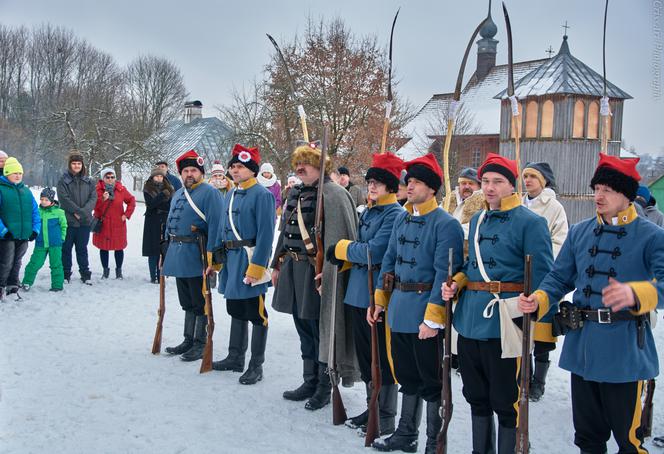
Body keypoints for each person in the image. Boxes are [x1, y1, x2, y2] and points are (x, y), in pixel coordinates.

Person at [519, 153, 664, 454]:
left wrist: (638, 294)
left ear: (627, 194)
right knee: (587, 437)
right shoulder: (580, 232)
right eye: (597, 188)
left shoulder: (652, 236)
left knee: (628, 441)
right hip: (583, 346)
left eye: (607, 190)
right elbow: (559, 277)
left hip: (624, 351)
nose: (598, 195)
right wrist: (540, 299)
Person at [442, 153, 554, 454]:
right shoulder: (477, 218)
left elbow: (545, 276)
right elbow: (470, 265)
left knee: (506, 399)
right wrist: (458, 282)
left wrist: (538, 311)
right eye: (486, 182)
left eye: (498, 182)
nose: (490, 188)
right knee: (476, 395)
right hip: (470, 319)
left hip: (505, 321)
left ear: (511, 185)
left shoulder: (532, 223)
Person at [369, 153, 464, 453]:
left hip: (426, 313)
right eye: (409, 181)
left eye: (418, 182)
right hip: (399, 307)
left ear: (432, 188)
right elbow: (388, 262)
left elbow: (443, 274)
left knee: (431, 382)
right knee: (406, 376)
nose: (410, 187)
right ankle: (405, 434)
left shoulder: (446, 224)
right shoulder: (402, 218)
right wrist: (380, 301)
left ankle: (434, 442)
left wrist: (433, 318)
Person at [271, 141, 359, 411]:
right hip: (293, 270)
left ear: (321, 166)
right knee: (303, 328)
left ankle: (324, 384)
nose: (300, 167)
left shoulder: (334, 194)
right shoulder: (296, 193)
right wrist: (276, 264)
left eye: (307, 162)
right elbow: (285, 231)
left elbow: (342, 239)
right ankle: (309, 380)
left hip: (317, 272)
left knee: (320, 330)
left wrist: (329, 273)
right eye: (298, 163)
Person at [327, 152, 405, 436]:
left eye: (379, 183)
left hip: (377, 295)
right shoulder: (370, 211)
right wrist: (347, 256)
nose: (372, 187)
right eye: (371, 181)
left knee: (381, 358)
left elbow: (375, 251)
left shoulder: (396, 214)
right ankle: (372, 405)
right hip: (357, 292)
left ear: (391, 186)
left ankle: (385, 414)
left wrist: (341, 249)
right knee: (365, 357)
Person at [212, 144, 275, 385]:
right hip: (231, 260)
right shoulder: (230, 193)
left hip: (249, 259)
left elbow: (266, 235)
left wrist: (257, 267)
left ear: (252, 170)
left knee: (256, 314)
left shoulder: (263, 195)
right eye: (233, 166)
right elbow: (221, 228)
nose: (234, 171)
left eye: (240, 167)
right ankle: (235, 356)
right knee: (235, 309)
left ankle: (255, 365)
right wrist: (215, 260)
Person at [162, 149, 224, 362]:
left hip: (198, 254)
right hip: (178, 253)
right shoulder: (178, 193)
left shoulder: (210, 193)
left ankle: (200, 342)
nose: (189, 174)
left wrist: (213, 258)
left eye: (193, 170)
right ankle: (188, 339)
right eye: (186, 170)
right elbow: (170, 223)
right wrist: (164, 248)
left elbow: (217, 226)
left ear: (201, 173)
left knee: (200, 301)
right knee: (186, 300)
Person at [522, 161, 569, 401]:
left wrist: (536, 253)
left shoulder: (554, 207)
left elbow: (560, 241)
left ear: (544, 181)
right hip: (520, 276)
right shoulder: (518, 204)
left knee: (541, 333)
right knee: (522, 330)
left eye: (532, 176)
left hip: (544, 276)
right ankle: (524, 376)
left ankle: (538, 382)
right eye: (525, 176)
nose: (527, 180)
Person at [0, 157, 40, 300]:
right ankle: (1, 287)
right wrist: (3, 231)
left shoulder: (26, 191)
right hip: (7, 235)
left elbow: (35, 212)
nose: (18, 175)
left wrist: (35, 229)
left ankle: (12, 287)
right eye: (14, 173)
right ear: (7, 173)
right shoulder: (1, 189)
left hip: (23, 235)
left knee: (17, 262)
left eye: (20, 173)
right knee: (6, 262)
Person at [57, 151, 97, 284]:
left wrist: (83, 212)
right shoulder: (63, 180)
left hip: (84, 222)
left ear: (82, 165)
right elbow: (64, 198)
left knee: (82, 249)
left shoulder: (89, 181)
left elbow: (93, 198)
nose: (76, 166)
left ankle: (85, 274)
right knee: (66, 249)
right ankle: (66, 274)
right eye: (74, 163)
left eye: (79, 163)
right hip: (68, 221)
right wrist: (76, 211)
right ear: (70, 165)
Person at [92, 168, 136, 280]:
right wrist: (102, 198)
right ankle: (105, 271)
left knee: (119, 248)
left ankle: (119, 271)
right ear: (103, 178)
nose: (110, 179)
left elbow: (131, 200)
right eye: (107, 177)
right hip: (104, 224)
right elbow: (93, 206)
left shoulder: (121, 189)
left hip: (118, 224)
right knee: (104, 248)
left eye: (112, 177)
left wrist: (126, 214)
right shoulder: (97, 190)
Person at [21, 188, 67, 292]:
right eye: (42, 199)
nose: (43, 202)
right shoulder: (37, 212)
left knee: (56, 264)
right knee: (35, 263)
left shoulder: (59, 212)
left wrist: (62, 238)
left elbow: (64, 226)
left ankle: (57, 285)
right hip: (40, 243)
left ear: (51, 200)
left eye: (46, 200)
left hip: (55, 244)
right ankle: (26, 282)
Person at [142, 168, 174, 283]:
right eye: (157, 176)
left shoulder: (169, 188)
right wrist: (161, 197)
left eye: (161, 176)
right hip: (152, 221)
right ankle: (153, 276)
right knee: (152, 250)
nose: (159, 178)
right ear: (152, 177)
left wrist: (159, 204)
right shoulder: (148, 189)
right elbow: (150, 205)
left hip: (165, 220)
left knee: (163, 248)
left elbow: (169, 205)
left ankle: (161, 274)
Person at [441, 167, 484, 239]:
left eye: (471, 183)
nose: (467, 186)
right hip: (447, 246)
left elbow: (476, 228)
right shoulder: (448, 200)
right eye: (463, 183)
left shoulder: (484, 202)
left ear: (479, 186)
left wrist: (449, 229)